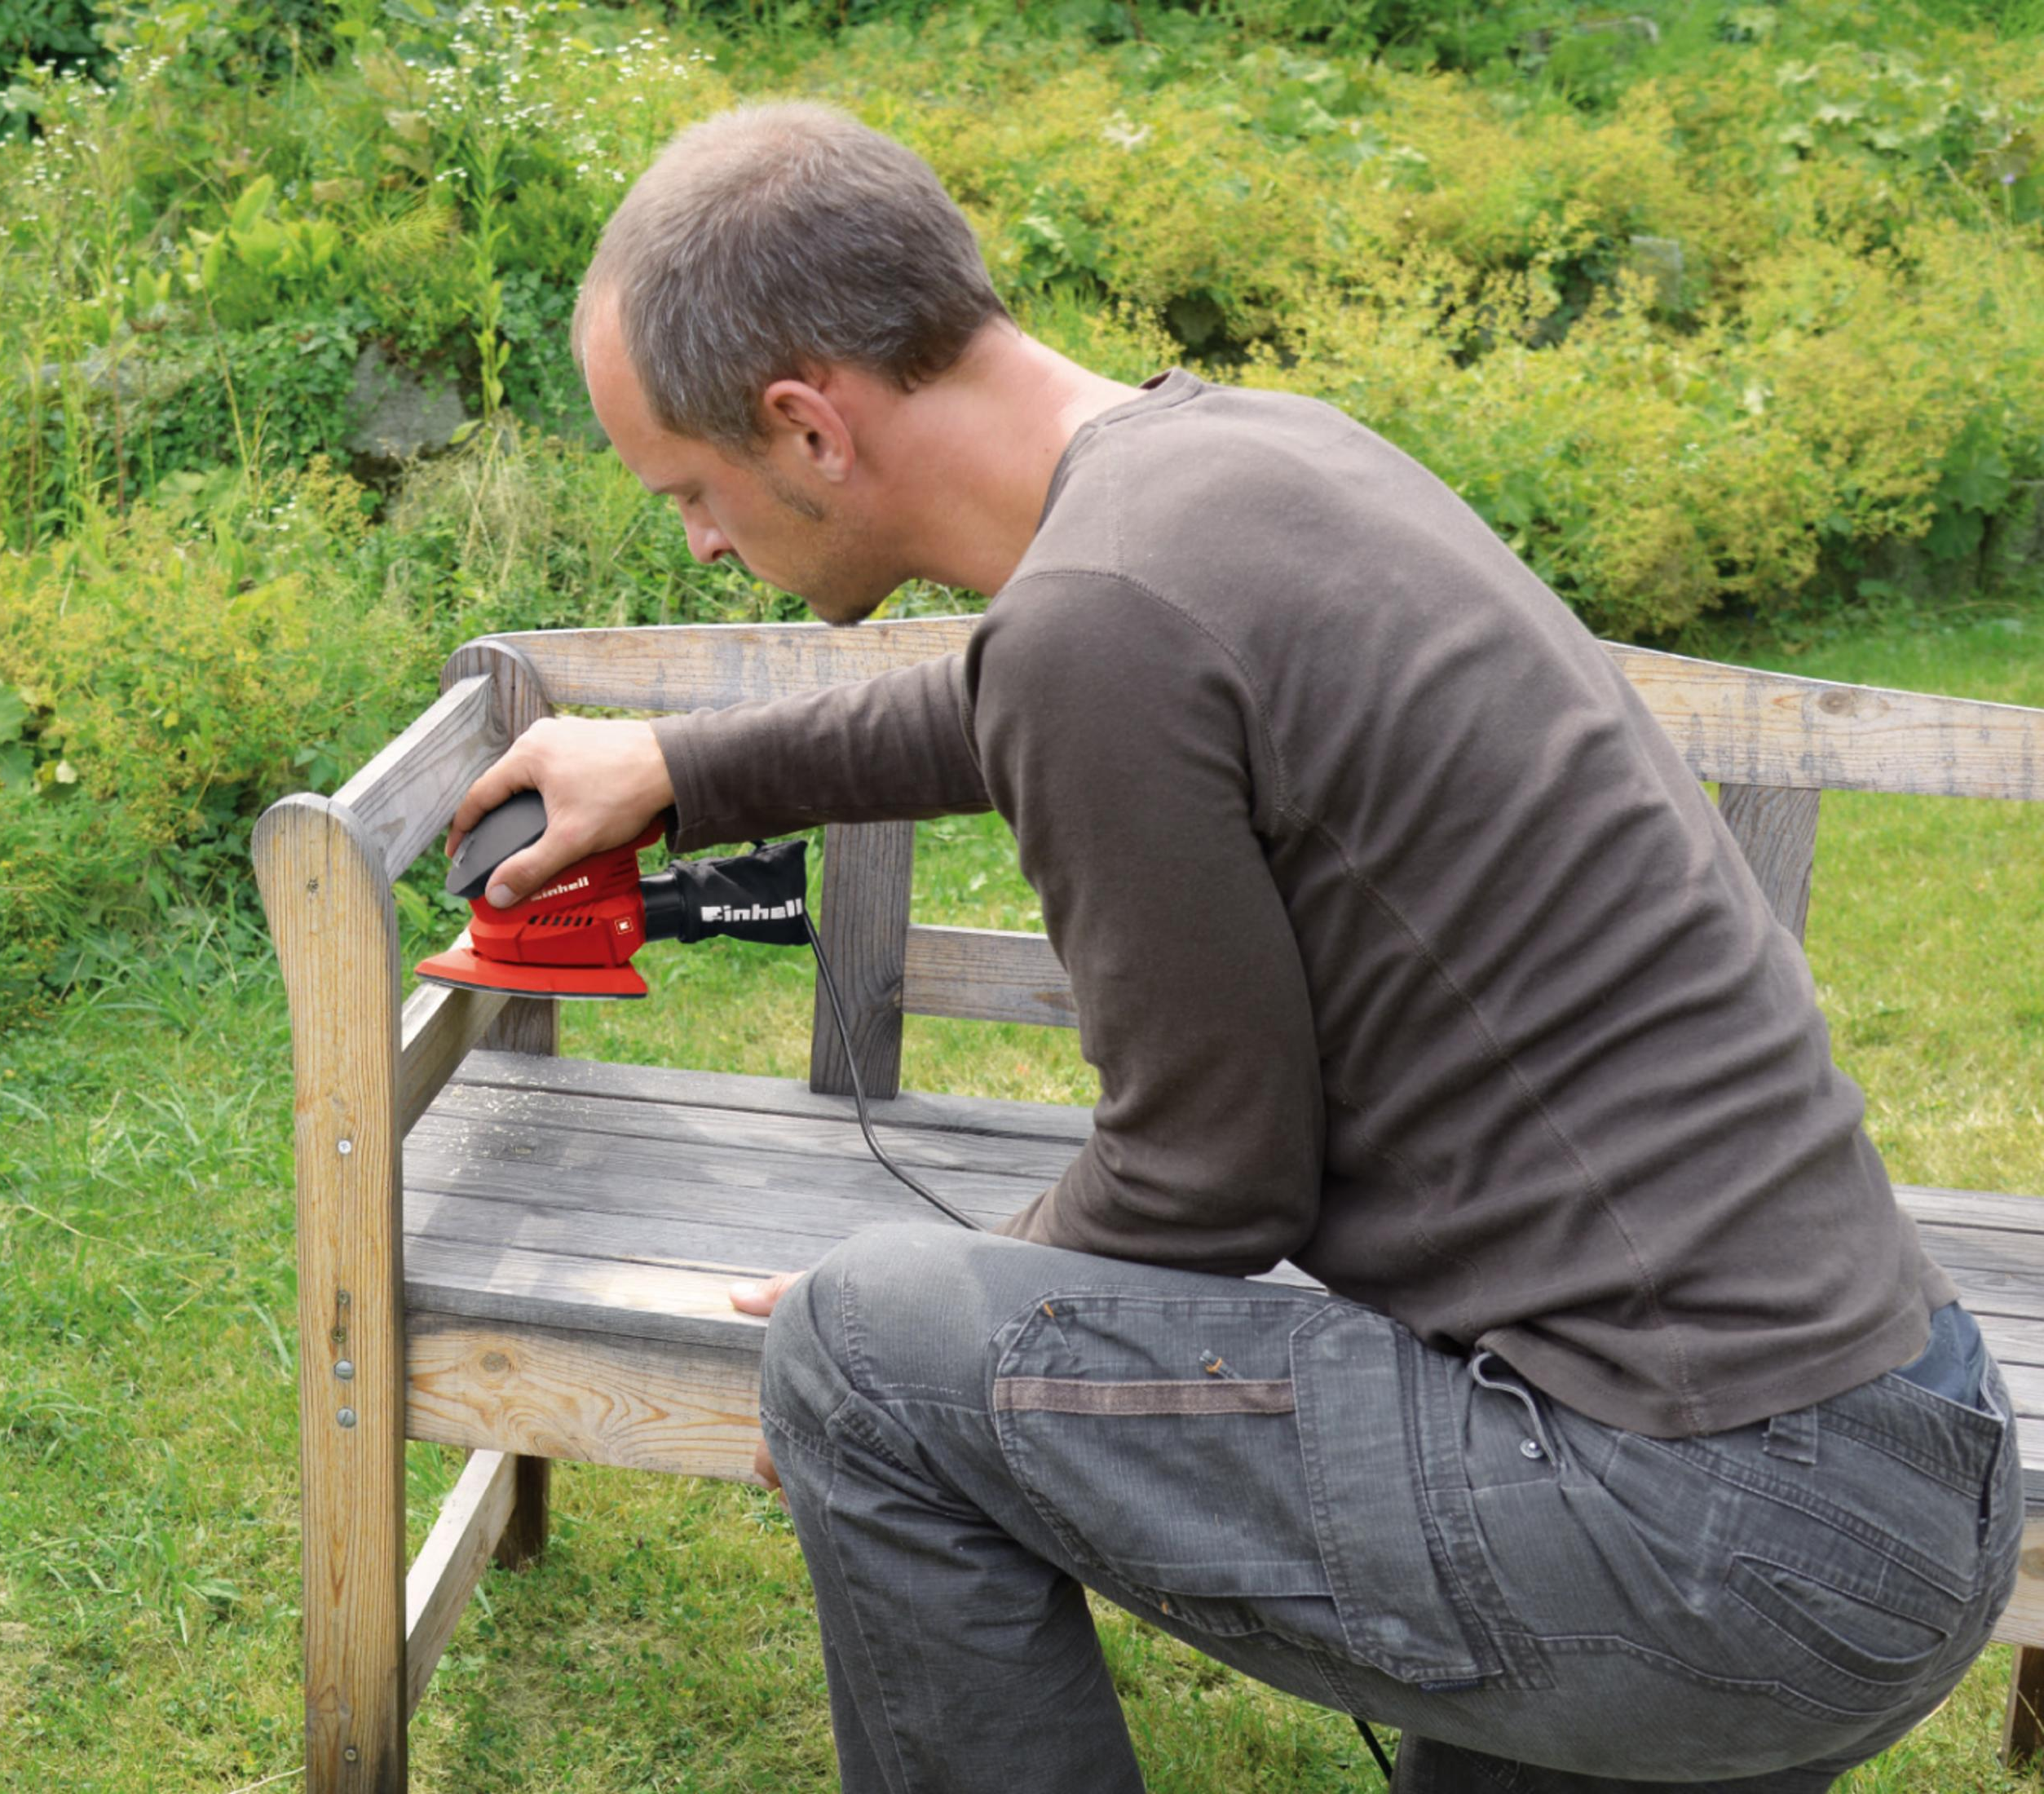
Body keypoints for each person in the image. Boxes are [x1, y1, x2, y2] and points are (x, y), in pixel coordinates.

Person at [443, 101, 2020, 1793]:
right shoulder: (1249, 463)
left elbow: (1206, 1181)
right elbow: (1026, 692)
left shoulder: (1104, 621)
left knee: (860, 1345)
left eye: (691, 487)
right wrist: (680, 768)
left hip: (1699, 1524)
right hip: (1889, 1444)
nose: (697, 537)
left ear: (808, 427)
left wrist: (938, 1345)